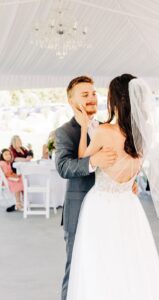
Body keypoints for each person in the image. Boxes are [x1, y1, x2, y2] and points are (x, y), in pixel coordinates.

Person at [66, 74, 159, 299]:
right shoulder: (142, 137)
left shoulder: (105, 132)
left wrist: (86, 128)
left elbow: (82, 160)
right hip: (129, 205)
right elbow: (133, 172)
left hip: (101, 206)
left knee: (101, 262)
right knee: (132, 261)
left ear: (114, 100)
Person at [55, 76, 118, 300]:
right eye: (85, 95)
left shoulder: (108, 128)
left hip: (108, 208)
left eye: (93, 93)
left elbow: (117, 162)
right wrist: (93, 161)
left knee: (105, 264)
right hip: (79, 209)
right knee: (75, 268)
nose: (92, 98)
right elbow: (63, 167)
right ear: (72, 102)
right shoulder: (65, 132)